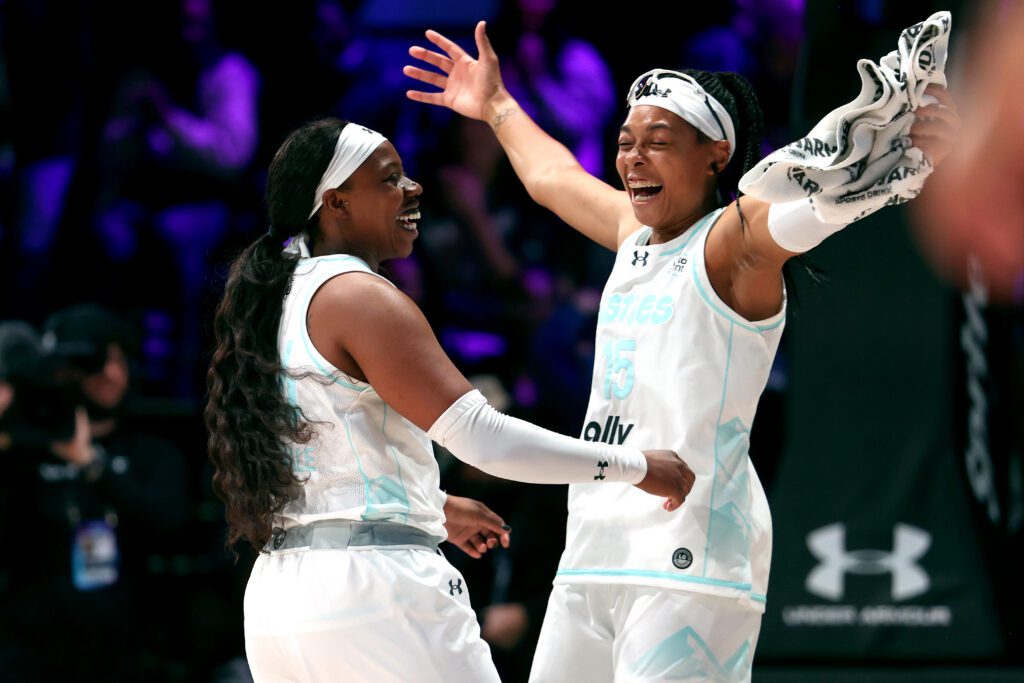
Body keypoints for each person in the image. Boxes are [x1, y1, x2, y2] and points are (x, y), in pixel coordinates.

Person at [404, 20, 959, 681]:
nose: (633, 157)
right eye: (626, 142)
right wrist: (495, 103)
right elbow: (551, 174)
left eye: (658, 143)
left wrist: (900, 153)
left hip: (691, 555)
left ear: (715, 154)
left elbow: (806, 200)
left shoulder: (732, 243)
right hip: (593, 549)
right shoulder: (632, 233)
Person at [204, 117, 695, 683]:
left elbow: (327, 457)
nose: (413, 188)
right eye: (390, 180)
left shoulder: (274, 298)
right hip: (374, 595)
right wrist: (635, 466)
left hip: (278, 597)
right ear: (336, 204)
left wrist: (427, 506)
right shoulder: (361, 296)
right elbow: (485, 439)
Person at [0, 306, 188, 682]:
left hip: (129, 652)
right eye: (97, 361)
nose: (111, 374)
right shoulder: (23, 448)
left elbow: (170, 524)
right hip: (27, 654)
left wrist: (91, 464)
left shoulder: (151, 451)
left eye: (120, 360)